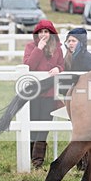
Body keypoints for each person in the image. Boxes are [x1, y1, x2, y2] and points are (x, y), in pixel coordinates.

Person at [23, 19, 64, 168]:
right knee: (33, 124)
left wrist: (59, 69)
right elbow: (28, 66)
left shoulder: (57, 48)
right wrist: (38, 49)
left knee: (45, 125)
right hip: (34, 93)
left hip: (50, 93)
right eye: (40, 32)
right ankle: (30, 157)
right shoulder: (30, 47)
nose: (43, 34)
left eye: (46, 31)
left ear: (51, 33)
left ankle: (37, 161)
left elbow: (62, 64)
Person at [64, 27, 91, 172]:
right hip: (71, 99)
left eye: (74, 41)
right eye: (69, 41)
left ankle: (85, 163)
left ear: (81, 42)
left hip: (86, 100)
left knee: (85, 132)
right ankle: (79, 162)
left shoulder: (89, 59)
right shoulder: (67, 58)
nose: (70, 43)